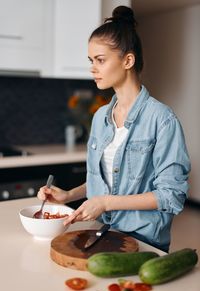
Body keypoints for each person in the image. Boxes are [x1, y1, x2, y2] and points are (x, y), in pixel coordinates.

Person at [37, 6, 190, 252]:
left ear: (128, 60)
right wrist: (69, 195)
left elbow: (171, 196)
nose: (92, 68)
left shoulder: (162, 119)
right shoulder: (100, 118)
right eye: (91, 61)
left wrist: (106, 203)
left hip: (144, 243)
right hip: (102, 232)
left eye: (100, 60)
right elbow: (106, 182)